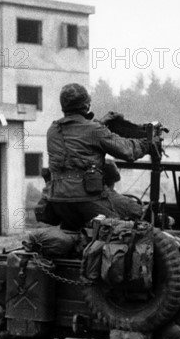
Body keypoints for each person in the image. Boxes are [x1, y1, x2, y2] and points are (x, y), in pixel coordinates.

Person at [47, 83, 149, 230]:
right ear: (86, 105)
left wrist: (100, 124)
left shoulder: (53, 129)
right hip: (86, 200)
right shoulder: (95, 130)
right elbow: (128, 151)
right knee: (122, 229)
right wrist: (149, 143)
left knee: (77, 234)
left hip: (58, 201)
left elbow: (77, 139)